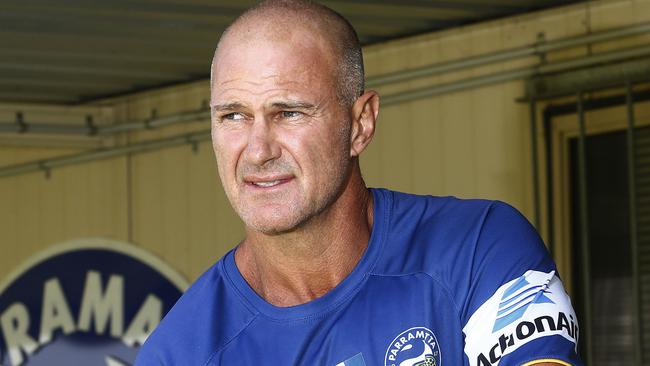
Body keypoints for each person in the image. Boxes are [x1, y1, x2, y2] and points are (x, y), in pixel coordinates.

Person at [135, 1, 582, 365]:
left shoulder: (476, 247)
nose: (257, 151)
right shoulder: (178, 353)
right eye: (233, 116)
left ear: (360, 124)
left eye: (288, 112)